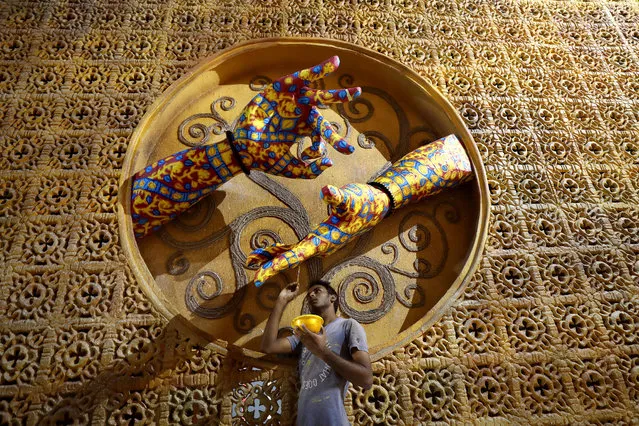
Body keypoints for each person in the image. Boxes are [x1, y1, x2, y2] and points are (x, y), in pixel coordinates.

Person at [261, 280, 373, 426]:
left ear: (332, 297)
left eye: (317, 291)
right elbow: (268, 346)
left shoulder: (348, 325)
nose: (311, 295)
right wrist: (282, 301)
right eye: (308, 295)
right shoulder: (305, 335)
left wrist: (323, 352)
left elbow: (366, 380)